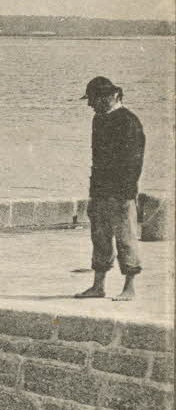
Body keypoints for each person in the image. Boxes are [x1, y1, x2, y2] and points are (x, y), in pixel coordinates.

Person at [76, 76, 145, 301]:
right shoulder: (99, 120)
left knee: (126, 238)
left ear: (112, 96)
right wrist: (94, 193)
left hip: (122, 192)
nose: (90, 104)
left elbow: (134, 163)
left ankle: (129, 288)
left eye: (94, 99)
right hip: (100, 191)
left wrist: (126, 193)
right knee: (100, 238)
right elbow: (97, 161)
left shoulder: (129, 121)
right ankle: (98, 286)